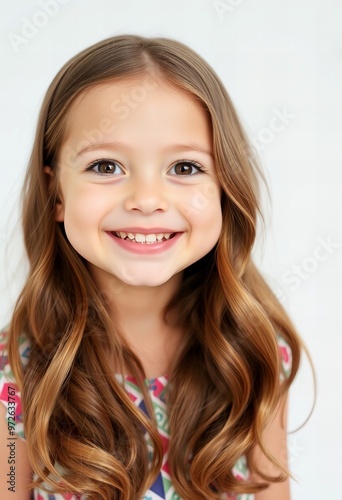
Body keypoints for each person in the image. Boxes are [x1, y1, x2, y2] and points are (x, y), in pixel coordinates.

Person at [0, 35, 302, 500]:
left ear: (225, 188)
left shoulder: (255, 354)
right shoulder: (14, 377)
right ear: (56, 193)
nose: (145, 200)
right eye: (105, 166)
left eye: (184, 168)